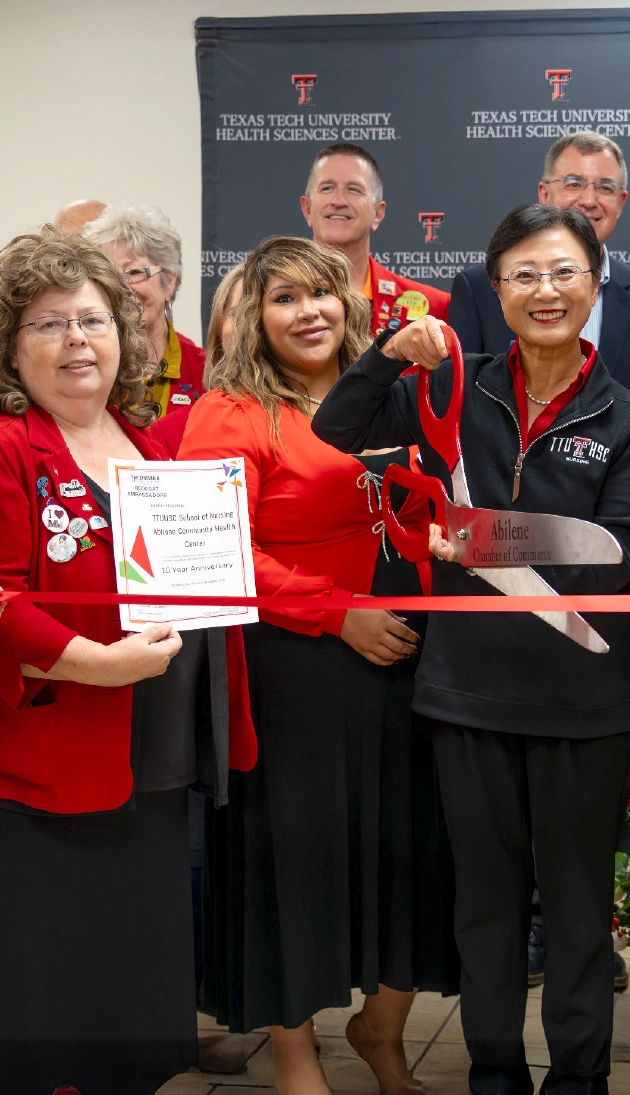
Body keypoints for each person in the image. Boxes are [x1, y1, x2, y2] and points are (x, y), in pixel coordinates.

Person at [313, 202, 630, 1095]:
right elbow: (334, 431)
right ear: (495, 287)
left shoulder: (627, 418)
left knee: (581, 915)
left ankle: (579, 1079)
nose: (545, 292)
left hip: (583, 700)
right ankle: (496, 1077)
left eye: (564, 273)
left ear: (593, 284)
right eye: (524, 275)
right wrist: (389, 351)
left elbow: (617, 553)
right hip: (465, 692)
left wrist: (480, 540)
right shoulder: (453, 385)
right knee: (487, 913)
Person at [178, 235, 458, 1095]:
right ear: (253, 320)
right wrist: (337, 615)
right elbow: (211, 553)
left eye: (323, 294)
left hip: (409, 653)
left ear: (352, 302)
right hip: (293, 666)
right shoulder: (225, 410)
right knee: (292, 862)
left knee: (411, 851)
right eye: (284, 299)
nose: (310, 313)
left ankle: (381, 1030)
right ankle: (296, 1054)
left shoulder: (394, 393)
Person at [0, 225, 256, 1094]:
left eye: (94, 320)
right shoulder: (10, 447)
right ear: (11, 347)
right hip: (56, 753)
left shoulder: (152, 444)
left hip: (154, 755)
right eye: (48, 324)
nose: (78, 339)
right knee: (57, 978)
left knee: (136, 975)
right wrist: (90, 663)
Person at [449, 131, 630, 388]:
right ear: (544, 194)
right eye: (574, 183)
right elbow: (458, 393)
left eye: (605, 187)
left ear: (620, 201)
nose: (589, 200)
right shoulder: (478, 290)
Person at [301, 141, 449, 337]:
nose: (338, 201)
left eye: (354, 189)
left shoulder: (434, 307)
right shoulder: (272, 302)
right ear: (307, 209)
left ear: (377, 213)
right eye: (327, 188)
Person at [85, 205, 206, 419]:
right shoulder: (83, 366)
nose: (122, 287)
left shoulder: (205, 371)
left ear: (168, 282)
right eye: (109, 275)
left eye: (134, 272)